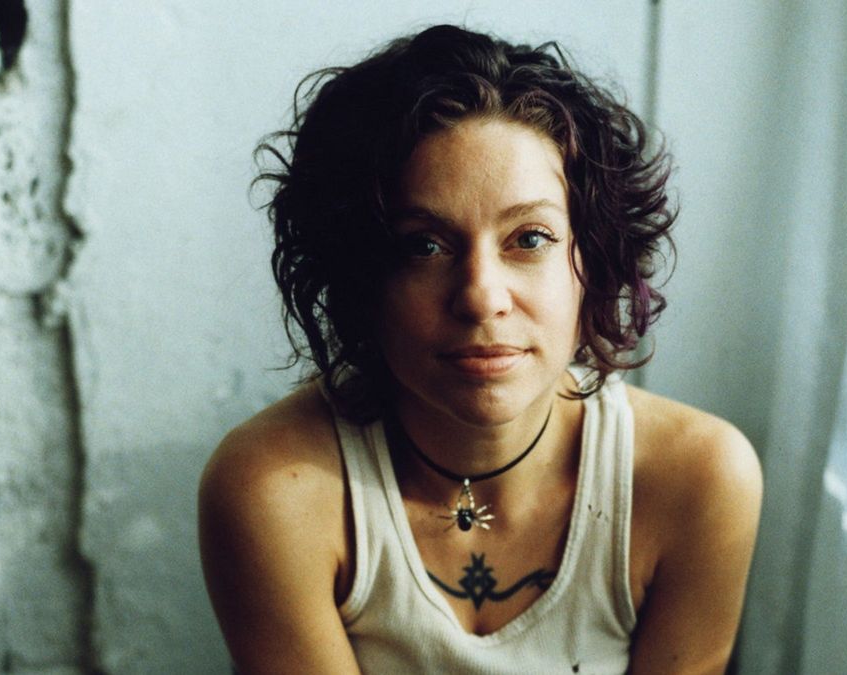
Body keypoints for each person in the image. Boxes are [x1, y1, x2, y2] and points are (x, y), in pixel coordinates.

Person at [198, 25, 762, 674]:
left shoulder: (696, 479)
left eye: (530, 238)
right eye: (424, 245)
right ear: (358, 277)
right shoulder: (276, 489)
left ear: (595, 260)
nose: (481, 297)